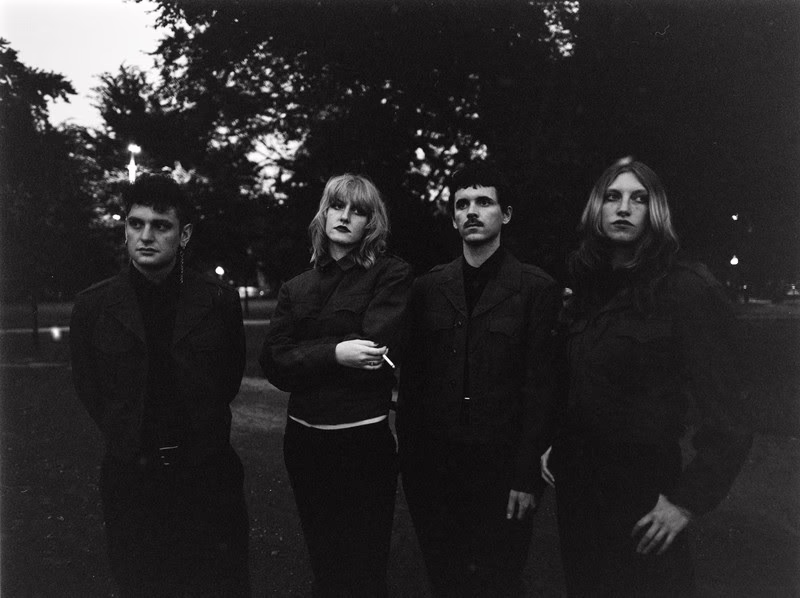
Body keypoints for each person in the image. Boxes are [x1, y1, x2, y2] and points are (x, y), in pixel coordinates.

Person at [540, 158, 753, 596]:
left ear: (655, 212)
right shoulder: (587, 290)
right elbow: (580, 379)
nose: (624, 208)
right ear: (596, 209)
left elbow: (731, 417)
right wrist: (556, 439)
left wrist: (686, 503)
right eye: (613, 197)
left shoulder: (685, 289)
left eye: (638, 199)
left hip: (642, 494)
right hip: (578, 493)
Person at [70, 174, 250, 597]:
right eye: (136, 224)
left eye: (161, 225)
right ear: (125, 229)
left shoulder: (219, 301)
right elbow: (89, 386)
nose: (146, 236)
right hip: (132, 477)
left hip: (207, 475)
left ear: (183, 235)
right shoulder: (93, 306)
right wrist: (128, 434)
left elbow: (228, 378)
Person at [397, 163, 561, 597]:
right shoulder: (429, 288)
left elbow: (542, 388)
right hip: (437, 470)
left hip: (502, 470)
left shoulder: (535, 288)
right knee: (446, 580)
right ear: (453, 218)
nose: (472, 211)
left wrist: (526, 476)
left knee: (499, 581)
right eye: (462, 204)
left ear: (505, 214)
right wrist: (412, 466)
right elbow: (413, 385)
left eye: (484, 202)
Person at [260, 173, 413, 597]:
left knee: (365, 568)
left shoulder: (391, 274)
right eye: (337, 206)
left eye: (358, 211)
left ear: (371, 223)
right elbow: (273, 361)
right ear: (323, 214)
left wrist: (306, 354)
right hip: (304, 443)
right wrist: (335, 353)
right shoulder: (296, 287)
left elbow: (372, 350)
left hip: (361, 443)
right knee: (324, 563)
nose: (345, 216)